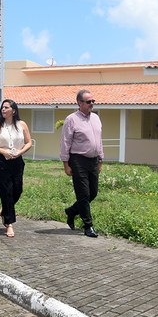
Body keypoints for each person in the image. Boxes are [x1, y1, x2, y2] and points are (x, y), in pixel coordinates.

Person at [60, 89, 104, 238]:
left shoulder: (96, 118)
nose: (91, 104)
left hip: (93, 160)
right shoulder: (71, 119)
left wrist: (100, 160)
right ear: (79, 103)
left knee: (93, 193)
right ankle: (88, 225)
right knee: (83, 194)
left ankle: (72, 211)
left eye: (93, 101)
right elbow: (65, 142)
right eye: (88, 101)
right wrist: (66, 164)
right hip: (78, 160)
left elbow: (99, 141)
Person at [0, 99, 32, 238]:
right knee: (6, 191)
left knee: (18, 189)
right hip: (1, 161)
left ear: (14, 110)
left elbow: (29, 142)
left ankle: (5, 210)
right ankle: (9, 224)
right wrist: (3, 151)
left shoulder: (21, 124)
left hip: (17, 160)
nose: (3, 110)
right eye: (2, 108)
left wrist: (20, 152)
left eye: (6, 107)